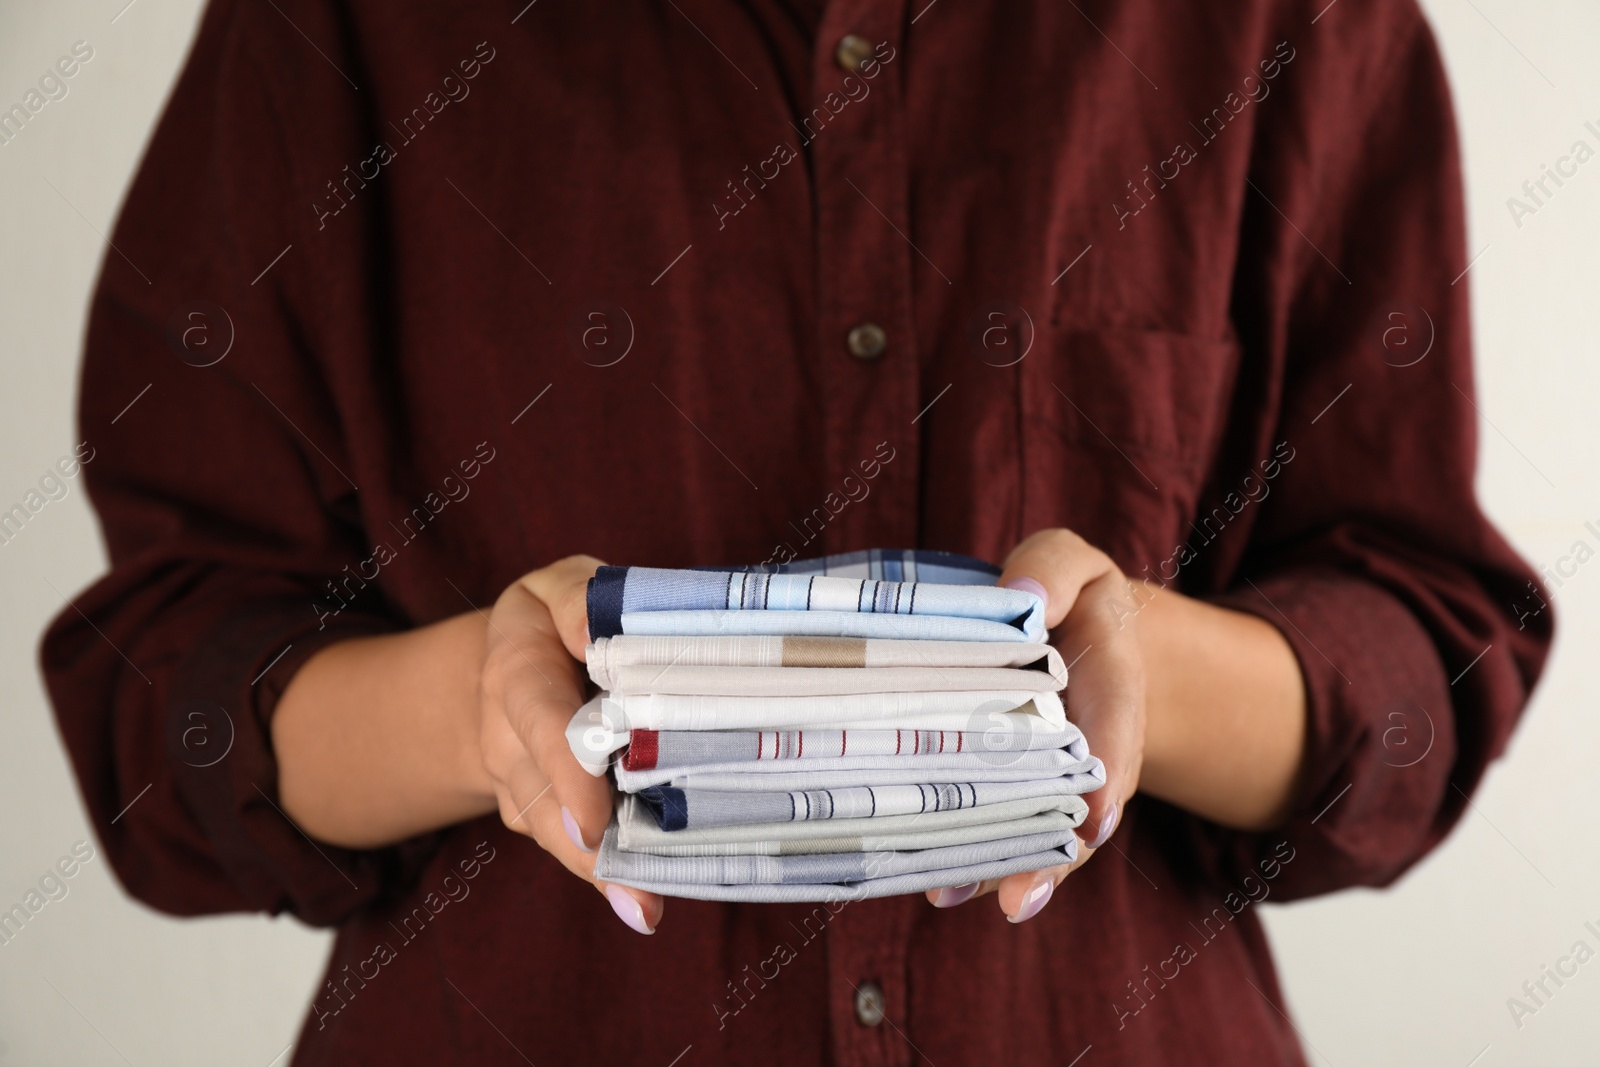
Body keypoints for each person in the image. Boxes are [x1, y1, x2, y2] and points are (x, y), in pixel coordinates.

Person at [41, 0, 1551, 1063]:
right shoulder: (350, 29)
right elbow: (161, 685)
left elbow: (1423, 645)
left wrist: (1153, 671)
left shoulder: (1286, 21)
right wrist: (475, 716)